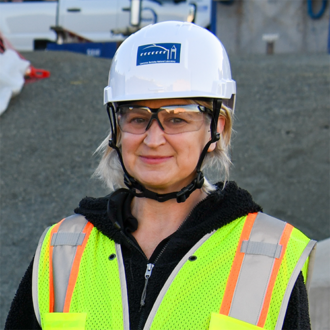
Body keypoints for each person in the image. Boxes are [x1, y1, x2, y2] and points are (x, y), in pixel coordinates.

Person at [5, 21, 316, 330]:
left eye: (177, 119)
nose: (153, 140)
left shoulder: (272, 255)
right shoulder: (61, 249)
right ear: (117, 128)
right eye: (138, 118)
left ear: (217, 126)